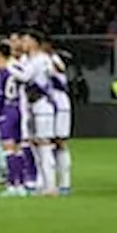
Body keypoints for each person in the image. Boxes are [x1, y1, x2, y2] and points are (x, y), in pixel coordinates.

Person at [11, 30, 56, 196]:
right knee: (35, 145)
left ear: (35, 42)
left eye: (26, 40)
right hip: (31, 107)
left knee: (44, 144)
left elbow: (26, 77)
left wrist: (10, 67)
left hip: (43, 105)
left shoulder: (42, 59)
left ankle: (51, 185)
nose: (23, 43)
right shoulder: (27, 59)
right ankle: (41, 183)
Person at [0, 41, 28, 197]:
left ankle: (13, 185)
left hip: (7, 110)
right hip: (19, 109)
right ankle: (22, 184)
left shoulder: (2, 71)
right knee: (18, 149)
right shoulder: (16, 67)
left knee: (8, 149)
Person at [45, 40, 74, 196]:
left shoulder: (53, 60)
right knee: (48, 143)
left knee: (59, 142)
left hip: (59, 105)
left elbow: (60, 70)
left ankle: (65, 183)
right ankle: (52, 182)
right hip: (50, 104)